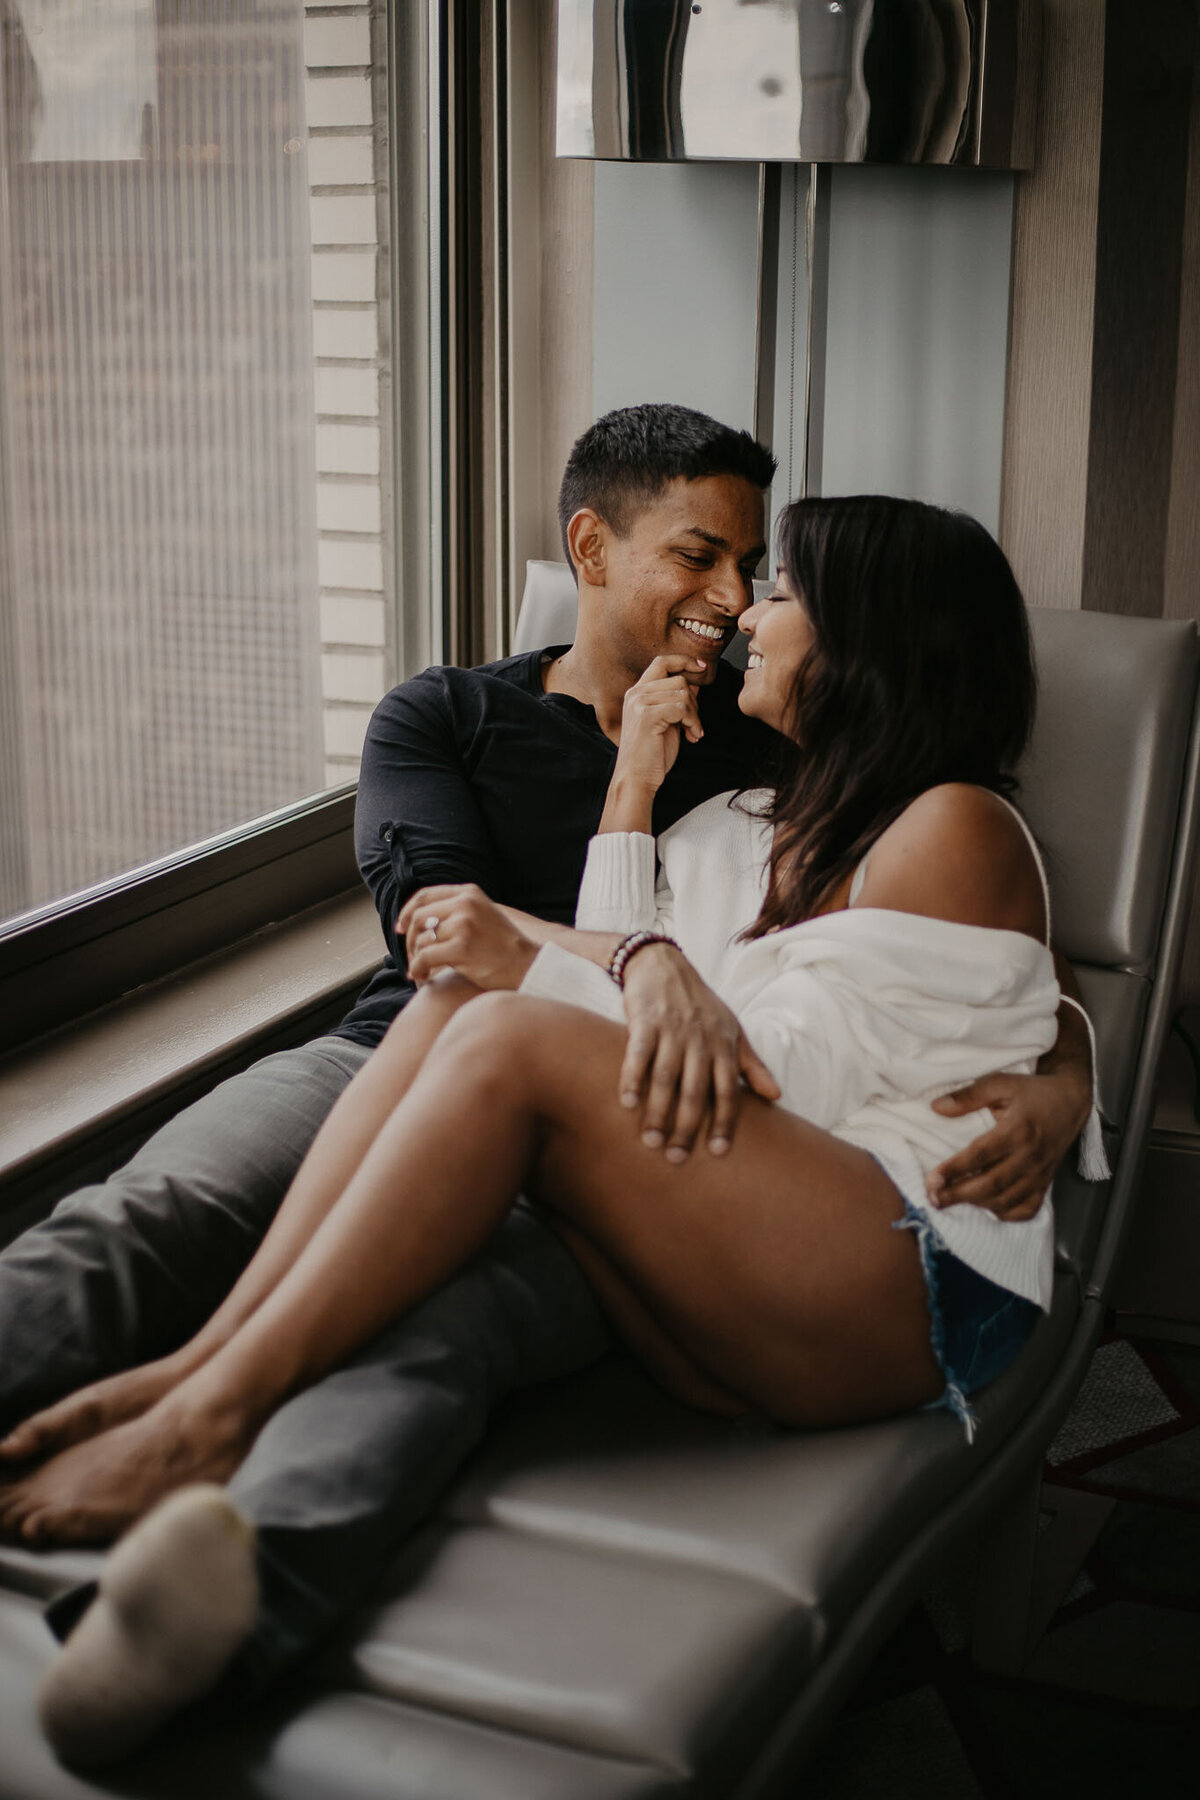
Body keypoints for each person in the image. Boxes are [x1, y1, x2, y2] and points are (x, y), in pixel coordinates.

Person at [25, 491, 1104, 1766]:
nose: (747, 613)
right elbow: (633, 963)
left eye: (782, 591)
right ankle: (205, 1443)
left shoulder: (953, 824)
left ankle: (202, 1414)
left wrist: (540, 956)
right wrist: (630, 798)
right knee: (459, 1041)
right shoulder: (748, 823)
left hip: (910, 1282)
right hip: (747, 1260)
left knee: (507, 1024)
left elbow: (751, 1080)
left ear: (874, 633)